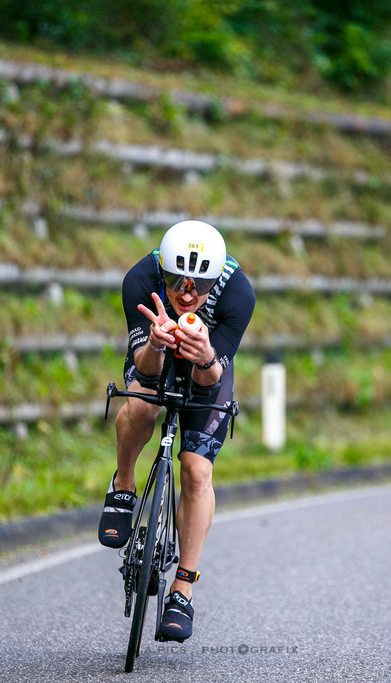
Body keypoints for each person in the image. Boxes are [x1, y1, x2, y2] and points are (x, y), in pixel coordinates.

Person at [98, 220, 255, 642]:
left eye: (198, 286)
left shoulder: (238, 293)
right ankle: (124, 485)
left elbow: (209, 380)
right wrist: (155, 344)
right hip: (156, 349)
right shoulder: (140, 280)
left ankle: (183, 588)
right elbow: (144, 372)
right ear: (162, 271)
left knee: (197, 470)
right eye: (176, 282)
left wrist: (204, 355)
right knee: (141, 407)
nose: (186, 294)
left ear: (214, 280)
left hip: (208, 363)